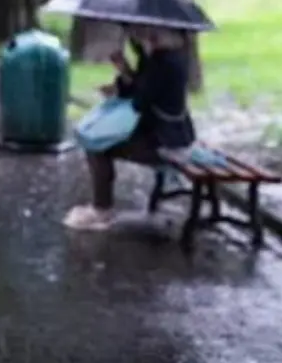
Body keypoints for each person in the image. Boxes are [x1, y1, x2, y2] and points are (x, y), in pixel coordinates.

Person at [64, 24, 196, 231]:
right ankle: (102, 206)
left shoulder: (165, 62)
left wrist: (125, 78)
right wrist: (123, 74)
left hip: (168, 143)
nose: (138, 36)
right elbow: (139, 90)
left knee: (98, 147)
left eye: (142, 33)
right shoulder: (159, 58)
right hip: (167, 135)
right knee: (99, 141)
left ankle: (102, 209)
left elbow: (139, 101)